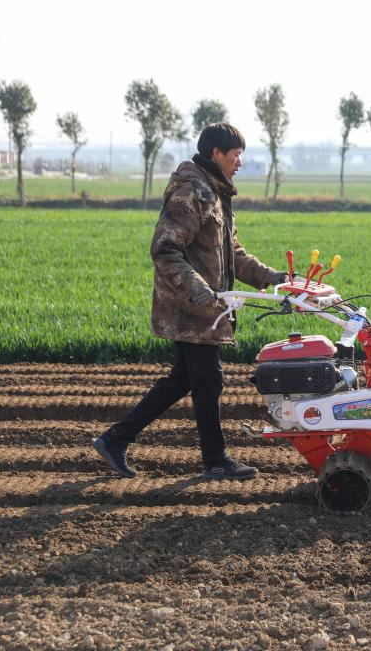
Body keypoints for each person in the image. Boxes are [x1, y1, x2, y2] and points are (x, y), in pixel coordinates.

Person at [92, 123, 286, 480]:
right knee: (208, 379)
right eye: (235, 155)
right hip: (192, 308)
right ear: (216, 154)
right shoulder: (191, 192)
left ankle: (115, 440)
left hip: (206, 309)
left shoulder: (214, 193)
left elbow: (233, 254)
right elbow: (165, 249)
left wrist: (273, 278)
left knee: (184, 379)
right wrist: (199, 291)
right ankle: (215, 459)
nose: (240, 163)